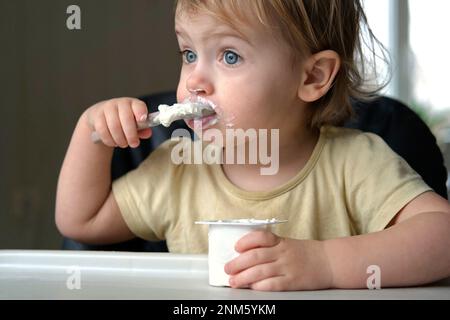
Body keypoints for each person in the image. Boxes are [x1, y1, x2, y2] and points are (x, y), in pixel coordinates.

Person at [55, 0, 450, 291]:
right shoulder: (179, 168)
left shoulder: (357, 164)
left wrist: (326, 264)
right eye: (189, 54)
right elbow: (80, 222)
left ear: (312, 76)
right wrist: (90, 132)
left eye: (229, 56)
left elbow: (441, 236)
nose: (195, 80)